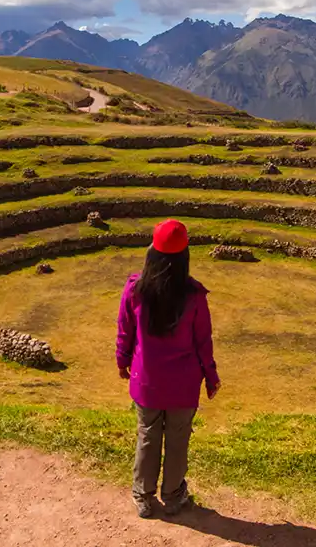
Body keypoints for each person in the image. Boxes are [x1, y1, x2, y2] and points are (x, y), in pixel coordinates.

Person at [116, 219, 221, 519]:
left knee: (147, 435)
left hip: (146, 381)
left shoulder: (135, 291)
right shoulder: (194, 296)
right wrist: (211, 378)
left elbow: (125, 331)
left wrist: (122, 360)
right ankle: (173, 496)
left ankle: (143, 496)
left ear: (152, 253)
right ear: (185, 257)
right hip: (183, 385)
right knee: (177, 440)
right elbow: (203, 342)